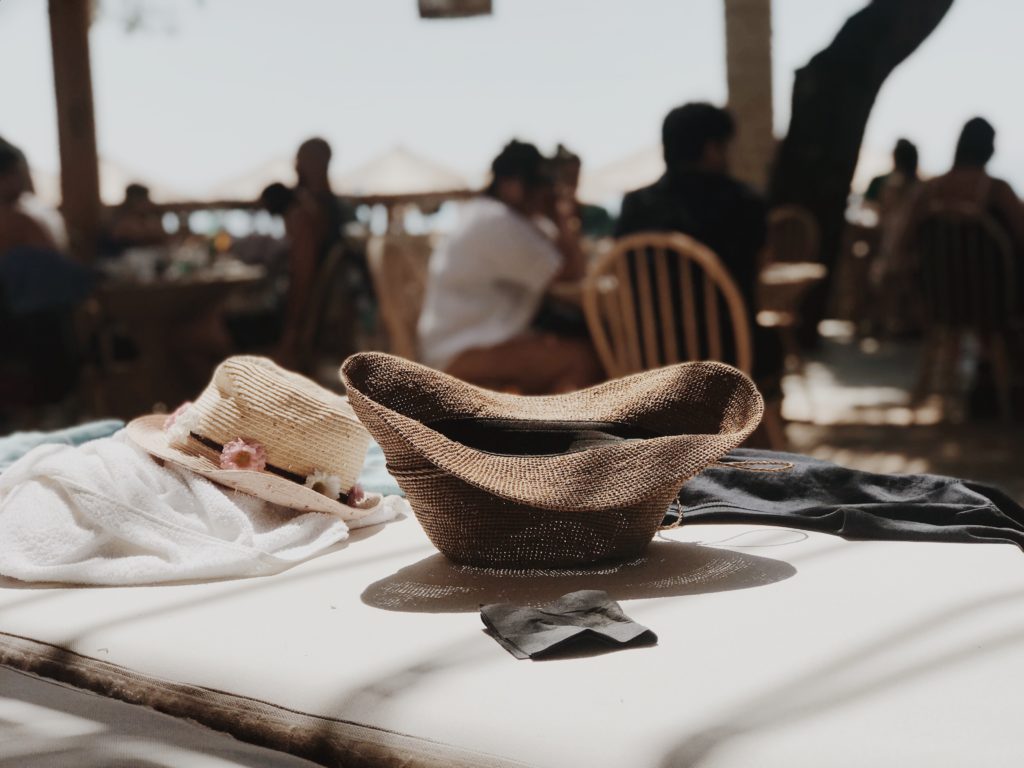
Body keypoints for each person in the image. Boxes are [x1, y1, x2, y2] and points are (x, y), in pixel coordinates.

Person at [615, 102, 783, 391]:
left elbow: (623, 274)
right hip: (731, 357)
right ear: (711, 148)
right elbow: (760, 269)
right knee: (771, 341)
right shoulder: (745, 203)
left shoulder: (635, 206)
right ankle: (762, 428)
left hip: (651, 359)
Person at [418, 140, 602, 394]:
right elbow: (571, 273)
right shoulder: (497, 220)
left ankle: (543, 425)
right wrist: (561, 213)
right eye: (539, 184)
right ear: (512, 186)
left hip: (460, 342)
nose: (544, 192)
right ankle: (556, 431)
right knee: (583, 358)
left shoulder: (488, 214)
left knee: (572, 351)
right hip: (461, 351)